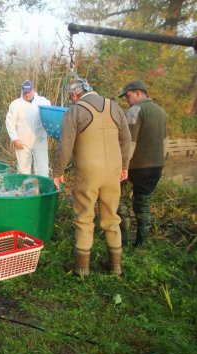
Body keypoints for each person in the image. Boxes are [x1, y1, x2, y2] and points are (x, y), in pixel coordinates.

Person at [53, 79, 131, 276]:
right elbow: (126, 140)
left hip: (89, 173)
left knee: (84, 218)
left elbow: (65, 145)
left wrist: (58, 172)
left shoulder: (75, 111)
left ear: (74, 95)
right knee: (112, 218)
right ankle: (115, 267)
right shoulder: (114, 106)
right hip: (113, 172)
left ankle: (82, 269)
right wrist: (124, 166)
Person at [117, 80, 167, 247]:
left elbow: (129, 143)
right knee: (143, 203)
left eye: (128, 96)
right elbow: (163, 140)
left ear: (138, 93)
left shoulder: (135, 110)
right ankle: (141, 243)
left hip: (136, 166)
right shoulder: (161, 111)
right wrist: (161, 162)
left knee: (119, 199)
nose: (127, 100)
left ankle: (124, 240)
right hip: (156, 166)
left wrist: (123, 166)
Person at [6, 80, 51, 177]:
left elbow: (50, 117)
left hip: (40, 141)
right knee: (23, 170)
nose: (26, 94)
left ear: (33, 90)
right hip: (22, 142)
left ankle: (41, 190)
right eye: (24, 92)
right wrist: (15, 139)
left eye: (28, 92)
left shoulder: (43, 102)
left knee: (42, 169)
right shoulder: (15, 104)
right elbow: (10, 122)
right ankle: (24, 191)